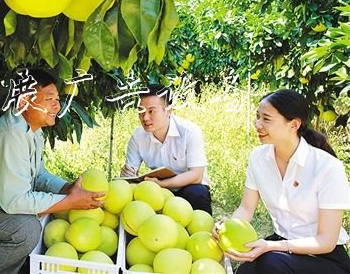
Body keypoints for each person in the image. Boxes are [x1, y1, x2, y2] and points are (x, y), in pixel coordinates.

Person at [0, 69, 104, 274]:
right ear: (24, 102)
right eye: (49, 99)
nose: (57, 105)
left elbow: (38, 175)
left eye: (57, 99)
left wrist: (66, 189)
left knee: (29, 222)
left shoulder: (31, 130)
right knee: (27, 228)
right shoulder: (9, 135)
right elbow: (14, 202)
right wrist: (67, 202)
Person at [214, 89, 350, 274]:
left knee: (271, 264)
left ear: (293, 124)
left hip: (324, 257)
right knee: (246, 271)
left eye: (266, 119)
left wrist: (272, 246)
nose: (257, 124)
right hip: (280, 246)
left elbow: (325, 241)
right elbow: (246, 208)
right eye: (257, 117)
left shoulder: (327, 167)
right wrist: (227, 227)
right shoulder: (258, 158)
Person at [120, 84, 212, 214]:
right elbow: (131, 177)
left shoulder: (189, 131)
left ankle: (203, 232)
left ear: (169, 111)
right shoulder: (138, 137)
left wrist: (161, 184)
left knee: (197, 193)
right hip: (159, 190)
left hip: (189, 187)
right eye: (141, 111)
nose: (145, 118)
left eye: (151, 111)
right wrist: (127, 176)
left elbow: (196, 175)